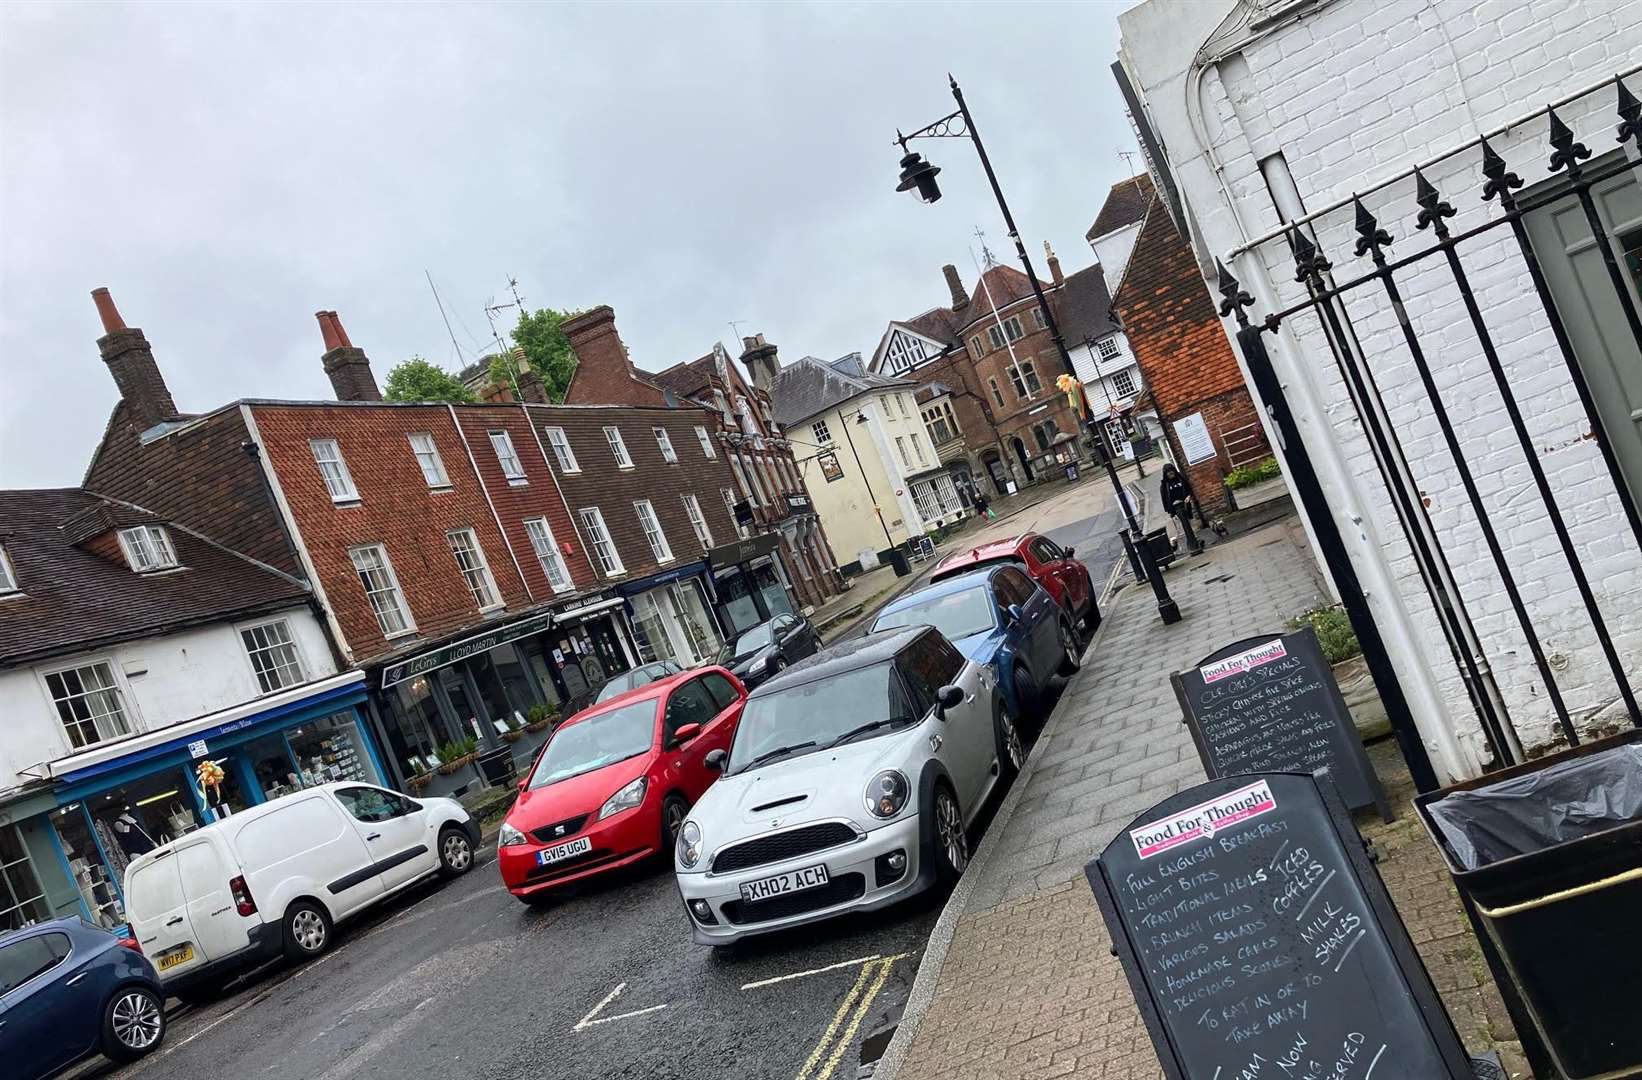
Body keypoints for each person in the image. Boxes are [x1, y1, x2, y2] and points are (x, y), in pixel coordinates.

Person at [1159, 463, 1204, 554]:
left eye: (1172, 471)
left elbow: (1189, 489)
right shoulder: (1164, 485)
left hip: (1186, 506)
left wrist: (1189, 496)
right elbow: (1164, 499)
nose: (1171, 473)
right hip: (1175, 509)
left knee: (1190, 523)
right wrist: (1170, 511)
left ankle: (1196, 540)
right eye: (1168, 472)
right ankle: (1184, 545)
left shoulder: (1181, 479)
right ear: (1165, 473)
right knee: (1181, 528)